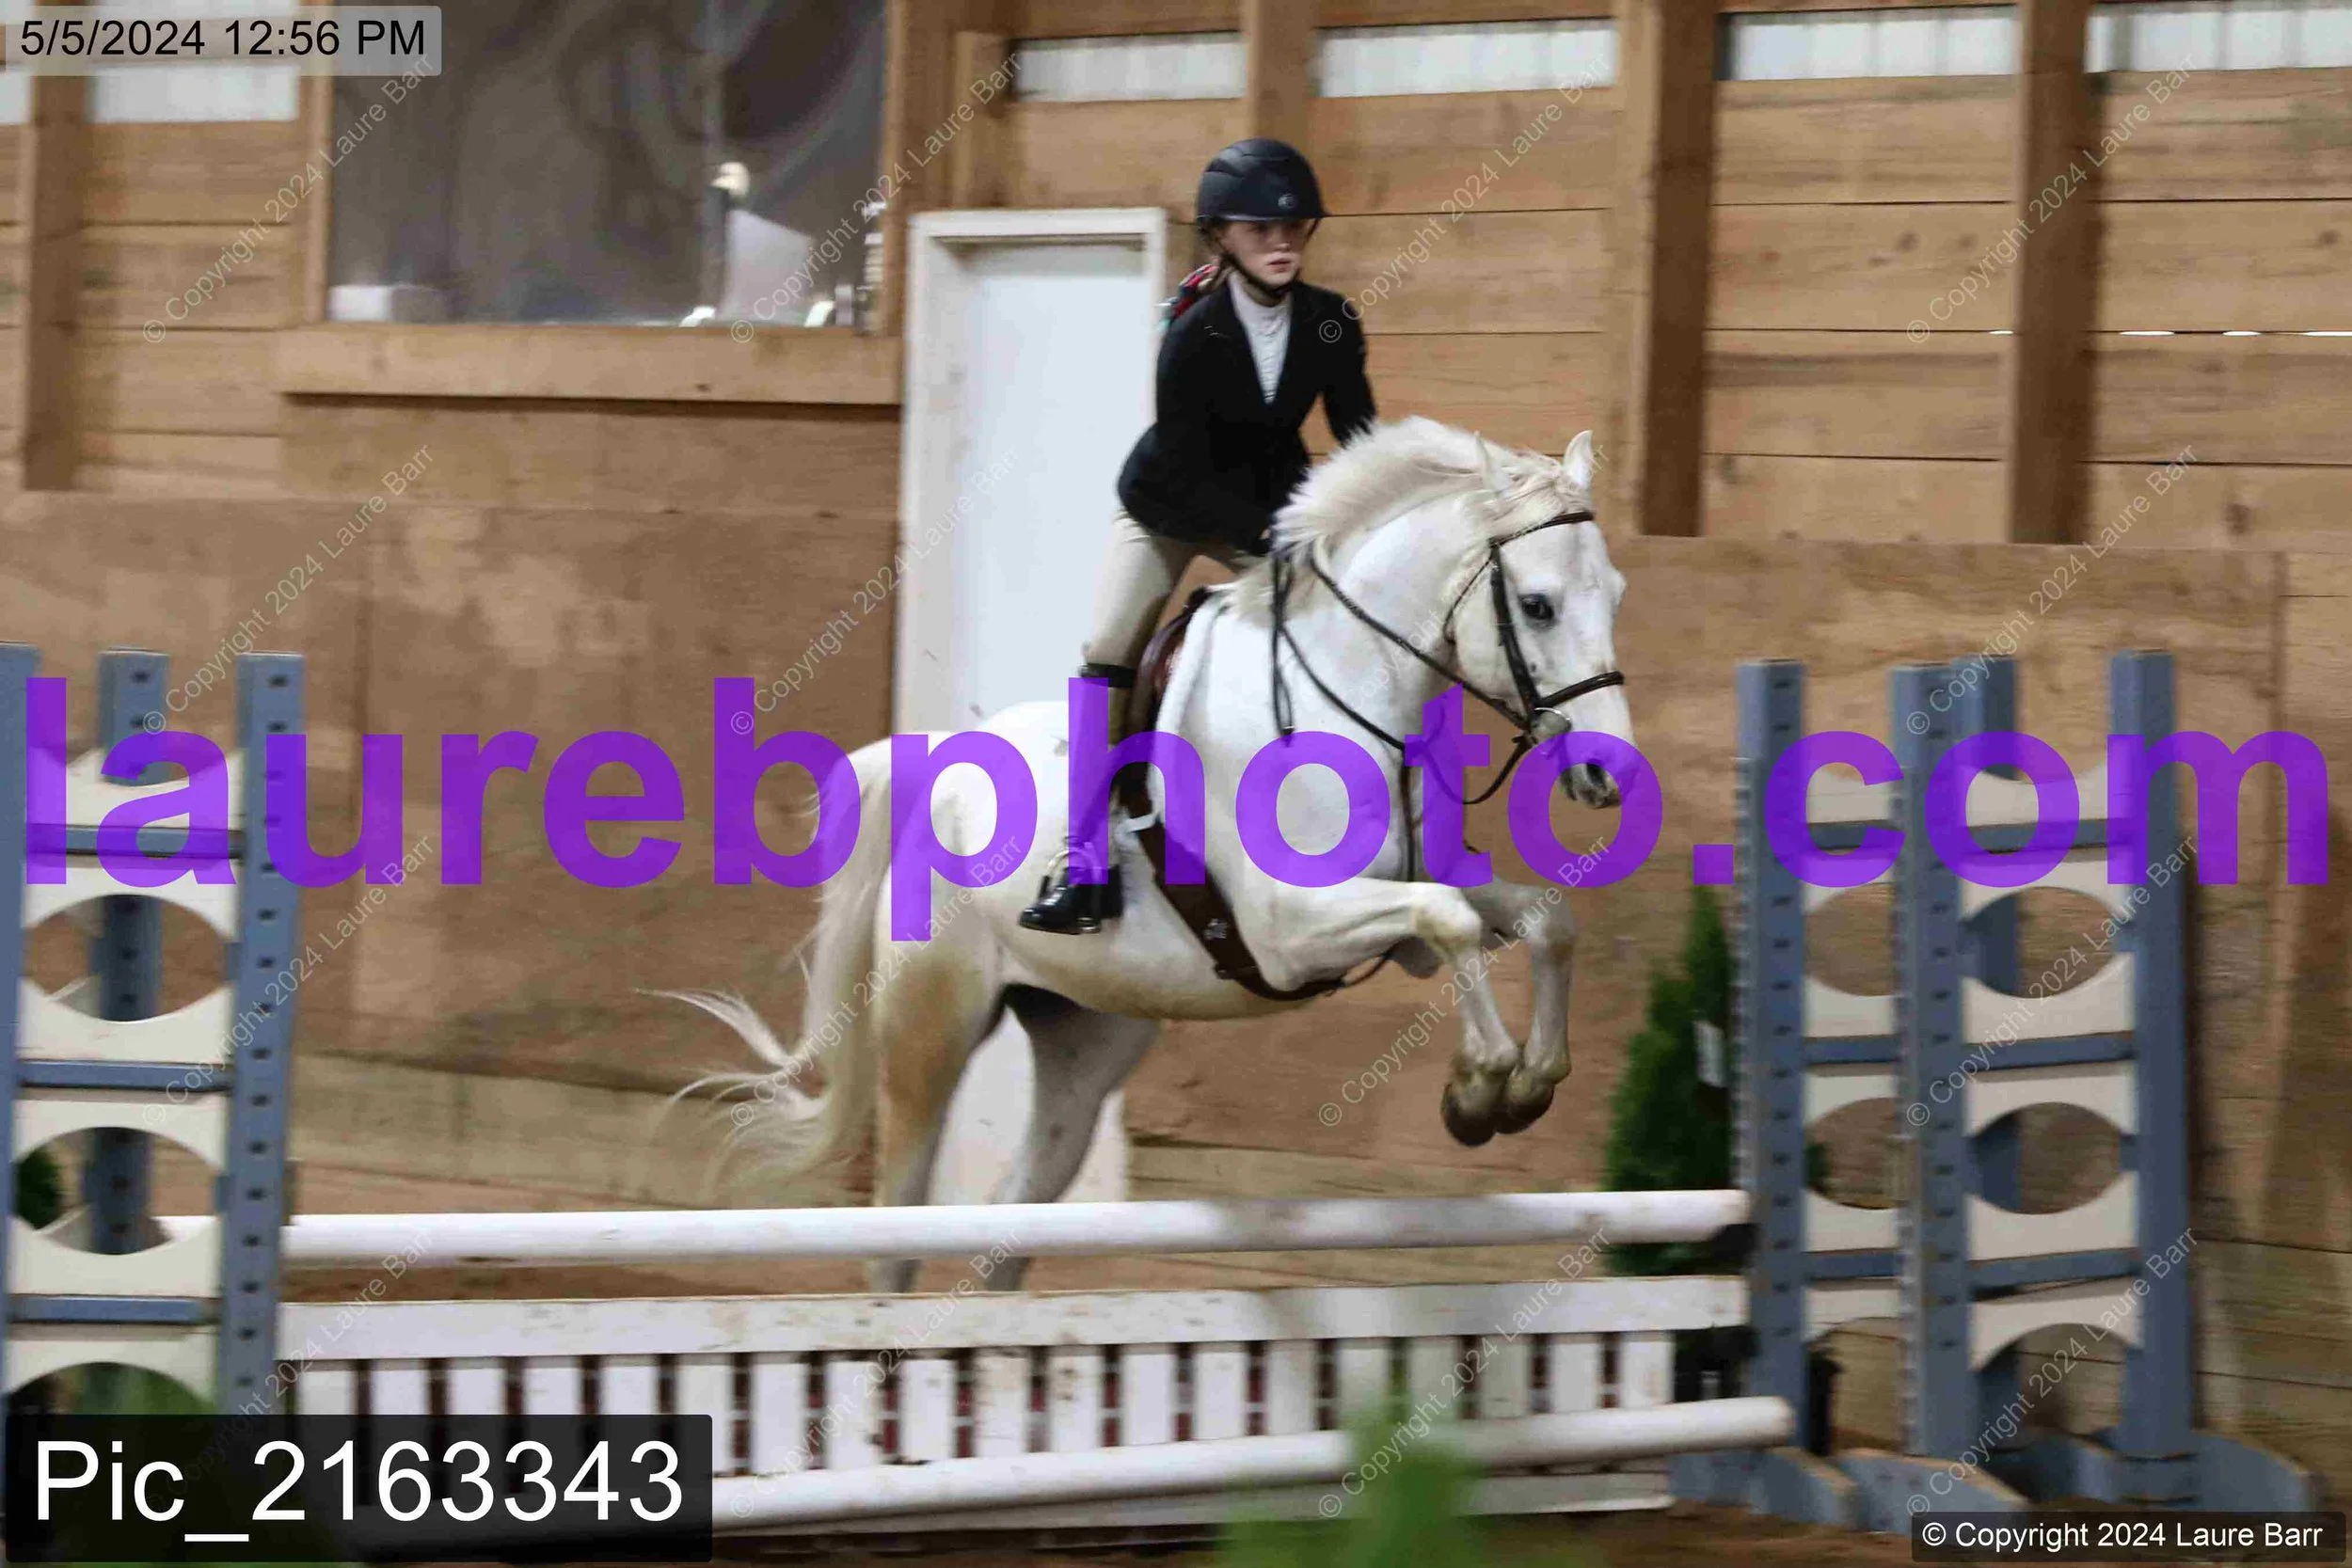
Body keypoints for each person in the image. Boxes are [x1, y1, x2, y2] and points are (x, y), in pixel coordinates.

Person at [1021, 137, 1378, 936]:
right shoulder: (1192, 333)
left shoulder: (1331, 321)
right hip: (1169, 506)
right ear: (1221, 236)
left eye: (1293, 228)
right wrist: (1268, 536)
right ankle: (1084, 862)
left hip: (1275, 504)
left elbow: (1358, 436)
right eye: (1260, 230)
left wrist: (1365, 517)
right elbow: (1188, 465)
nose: (1281, 243)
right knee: (1107, 648)